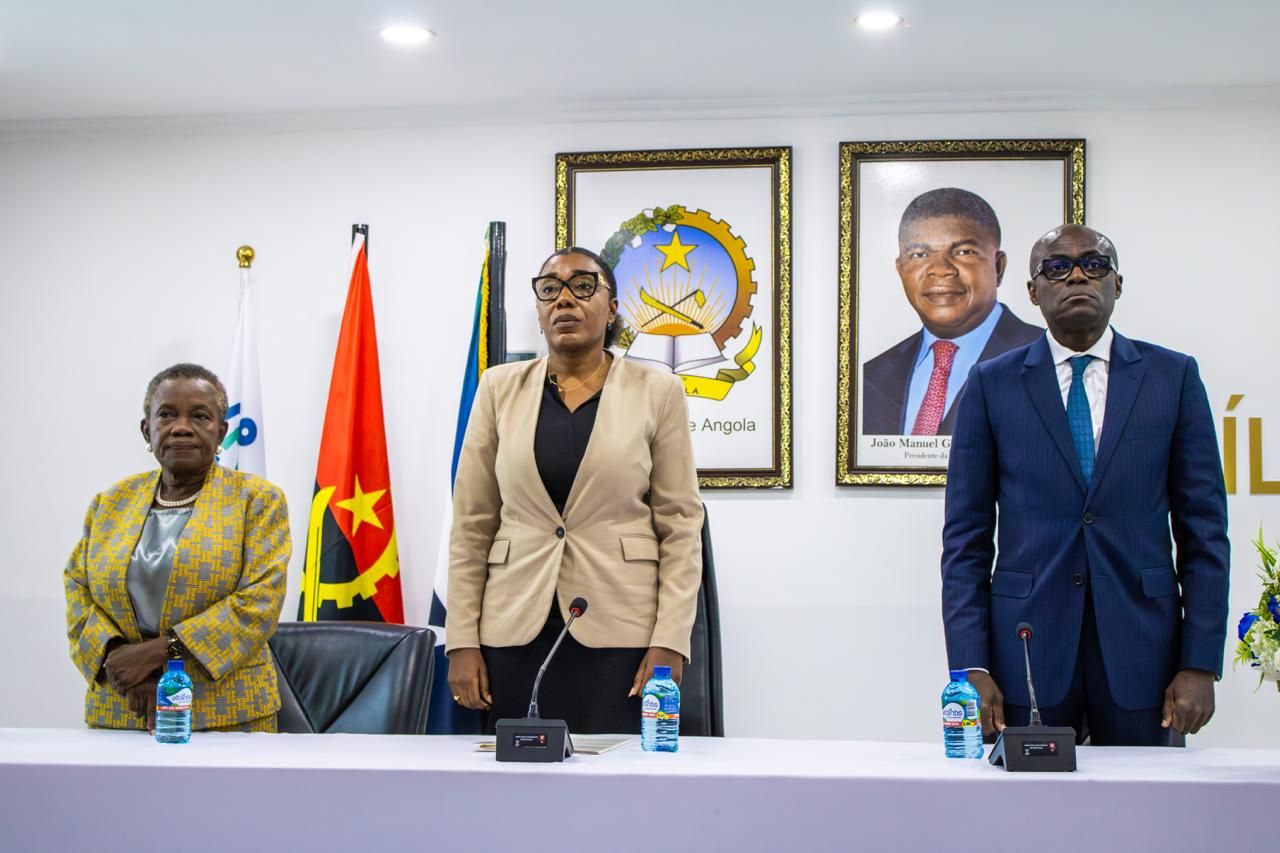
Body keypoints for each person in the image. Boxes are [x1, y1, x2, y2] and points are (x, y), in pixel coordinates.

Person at [941, 224, 1229, 746]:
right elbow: (965, 540)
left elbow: (1204, 534)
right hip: (1026, 653)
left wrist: (1200, 662)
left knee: (1146, 797)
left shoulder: (1173, 377)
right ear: (1032, 291)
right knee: (1031, 800)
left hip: (1146, 654)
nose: (1077, 276)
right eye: (1057, 267)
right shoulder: (991, 384)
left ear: (1117, 284)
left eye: (1094, 264)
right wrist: (970, 667)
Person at [446, 246, 703, 734]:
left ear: (612, 309)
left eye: (583, 286)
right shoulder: (498, 388)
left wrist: (671, 640)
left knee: (615, 775)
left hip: (620, 630)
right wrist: (461, 639)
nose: (564, 299)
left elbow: (681, 525)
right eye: (550, 290)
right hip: (513, 630)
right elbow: (471, 523)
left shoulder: (658, 391)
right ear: (539, 310)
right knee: (516, 776)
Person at [64, 364, 290, 732]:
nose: (181, 426)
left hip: (225, 712)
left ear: (221, 431)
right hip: (123, 706)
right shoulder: (110, 503)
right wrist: (120, 660)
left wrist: (155, 654)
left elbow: (260, 602)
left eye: (199, 416)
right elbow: (78, 590)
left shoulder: (257, 500)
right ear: (147, 429)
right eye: (167, 414)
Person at [862, 188, 1042, 435]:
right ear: (901, 268)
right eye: (919, 254)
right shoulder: (871, 375)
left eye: (963, 252)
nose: (941, 269)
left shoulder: (1048, 357)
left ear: (998, 267)